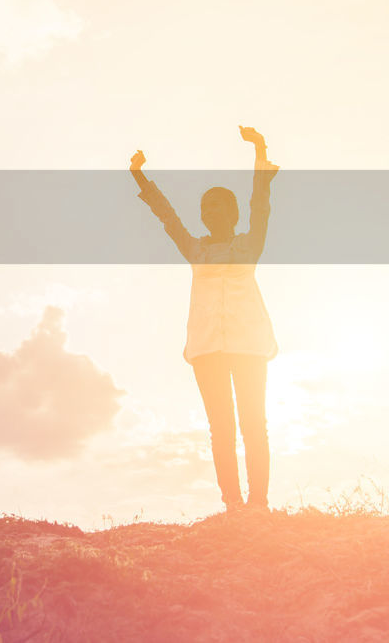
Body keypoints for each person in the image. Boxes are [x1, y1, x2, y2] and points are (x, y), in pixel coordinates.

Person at [129, 127, 279, 511]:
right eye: (206, 208)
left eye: (219, 206)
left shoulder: (249, 244)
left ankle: (258, 504)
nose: (211, 213)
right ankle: (232, 503)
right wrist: (141, 178)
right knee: (222, 429)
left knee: (253, 425)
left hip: (249, 344)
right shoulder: (194, 248)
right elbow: (168, 217)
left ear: (232, 213)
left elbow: (261, 204)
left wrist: (260, 153)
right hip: (207, 346)